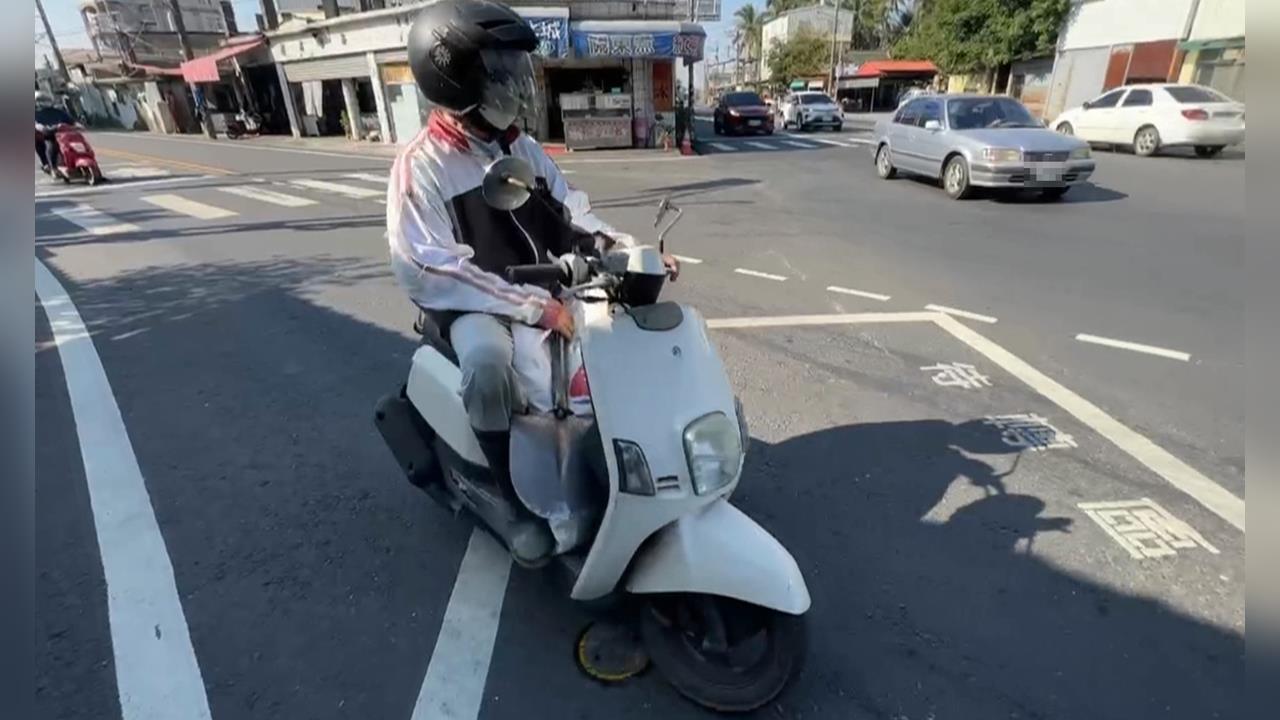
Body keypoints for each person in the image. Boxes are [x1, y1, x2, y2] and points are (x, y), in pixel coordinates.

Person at [388, 0, 678, 557]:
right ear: (455, 78)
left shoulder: (521, 149)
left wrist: (627, 252)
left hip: (544, 288)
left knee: (613, 356)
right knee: (488, 369)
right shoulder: (421, 166)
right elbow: (427, 266)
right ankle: (514, 503)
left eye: (515, 69)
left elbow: (569, 216)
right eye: (499, 72)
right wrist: (530, 306)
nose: (516, 84)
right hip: (476, 303)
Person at [35, 91, 75, 173]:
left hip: (63, 134)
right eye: (41, 100)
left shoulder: (58, 112)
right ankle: (52, 167)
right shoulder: (36, 114)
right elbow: (37, 125)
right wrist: (42, 128)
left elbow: (71, 121)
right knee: (51, 145)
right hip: (48, 135)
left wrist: (77, 125)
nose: (45, 102)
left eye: (46, 100)